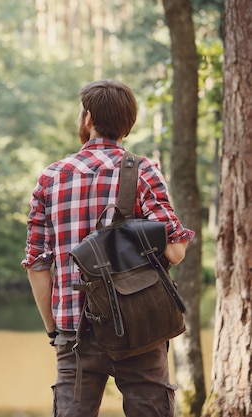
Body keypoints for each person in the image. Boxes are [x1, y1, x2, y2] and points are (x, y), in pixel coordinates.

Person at [22, 79, 195, 417]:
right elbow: (176, 251)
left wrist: (54, 330)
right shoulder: (142, 171)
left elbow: (37, 265)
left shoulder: (50, 178)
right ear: (127, 126)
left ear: (87, 119)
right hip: (140, 327)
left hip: (74, 332)